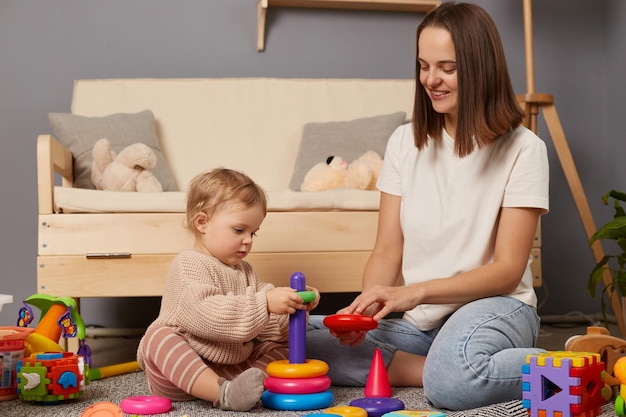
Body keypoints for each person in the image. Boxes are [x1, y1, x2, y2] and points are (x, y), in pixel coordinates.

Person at [306, 2, 549, 411]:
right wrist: (366, 316)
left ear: (479, 68)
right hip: (422, 326)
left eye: (447, 68)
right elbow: (387, 250)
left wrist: (412, 294)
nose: (430, 80)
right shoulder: (404, 142)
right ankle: (432, 366)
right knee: (288, 338)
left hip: (496, 310)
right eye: (423, 65)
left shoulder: (524, 148)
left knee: (452, 385)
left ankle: (565, 367)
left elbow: (507, 272)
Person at [137, 168, 320, 411]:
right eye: (239, 230)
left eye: (253, 232)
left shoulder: (245, 271)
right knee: (158, 339)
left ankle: (242, 388)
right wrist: (264, 303)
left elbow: (272, 330)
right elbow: (208, 316)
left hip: (233, 367)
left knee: (282, 349)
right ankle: (223, 393)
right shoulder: (189, 264)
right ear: (202, 222)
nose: (248, 240)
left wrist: (293, 307)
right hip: (181, 373)